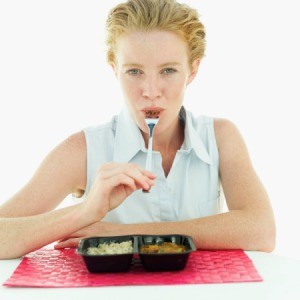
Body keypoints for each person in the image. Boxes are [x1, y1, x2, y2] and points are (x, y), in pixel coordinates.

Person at [0, 0, 276, 259]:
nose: (151, 92)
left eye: (168, 70)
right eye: (134, 72)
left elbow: (262, 230)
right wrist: (84, 213)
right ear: (114, 70)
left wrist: (124, 234)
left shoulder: (220, 136)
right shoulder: (84, 149)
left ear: (192, 71)